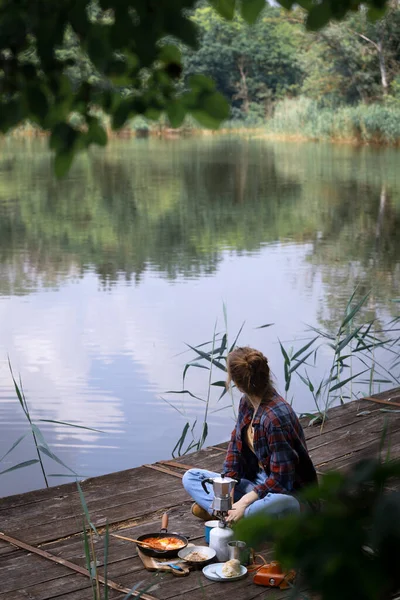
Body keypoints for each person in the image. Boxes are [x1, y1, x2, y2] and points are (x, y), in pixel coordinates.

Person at [182, 346, 318, 523]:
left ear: (237, 384)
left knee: (274, 503)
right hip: (257, 485)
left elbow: (282, 480)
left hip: (289, 495)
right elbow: (235, 449)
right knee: (191, 477)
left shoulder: (275, 418)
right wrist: (228, 488)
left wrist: (244, 502)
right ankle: (229, 513)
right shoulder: (246, 404)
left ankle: (229, 514)